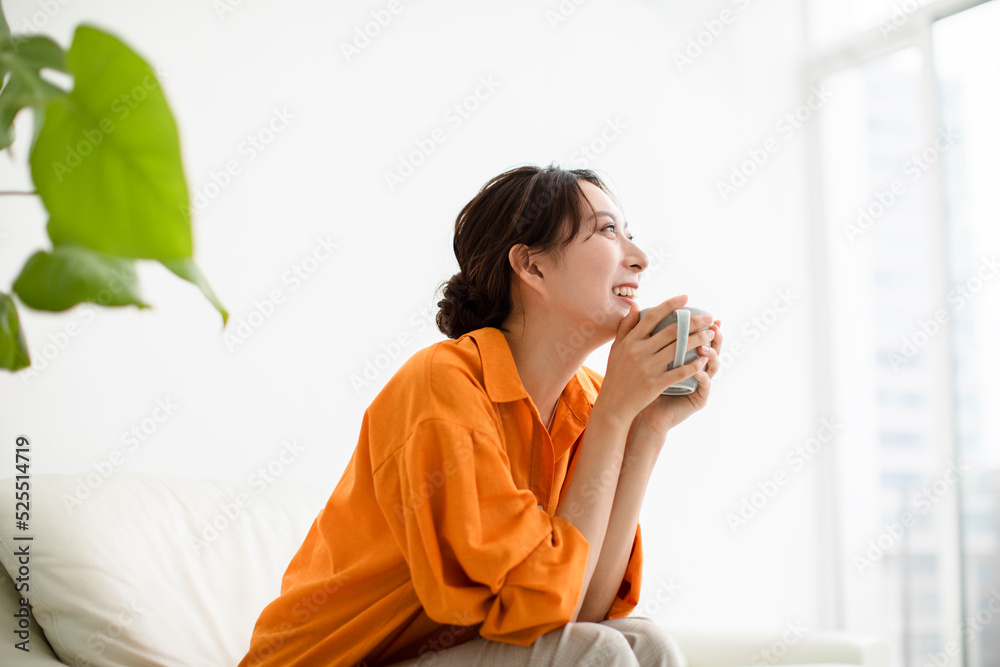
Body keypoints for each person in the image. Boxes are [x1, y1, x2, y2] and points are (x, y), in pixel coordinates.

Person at [238, 163, 723, 667]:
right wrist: (613, 417)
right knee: (598, 652)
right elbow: (545, 611)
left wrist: (646, 426)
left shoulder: (590, 401)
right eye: (607, 231)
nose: (640, 258)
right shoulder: (443, 383)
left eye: (630, 236)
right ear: (532, 267)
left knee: (647, 644)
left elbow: (584, 607)